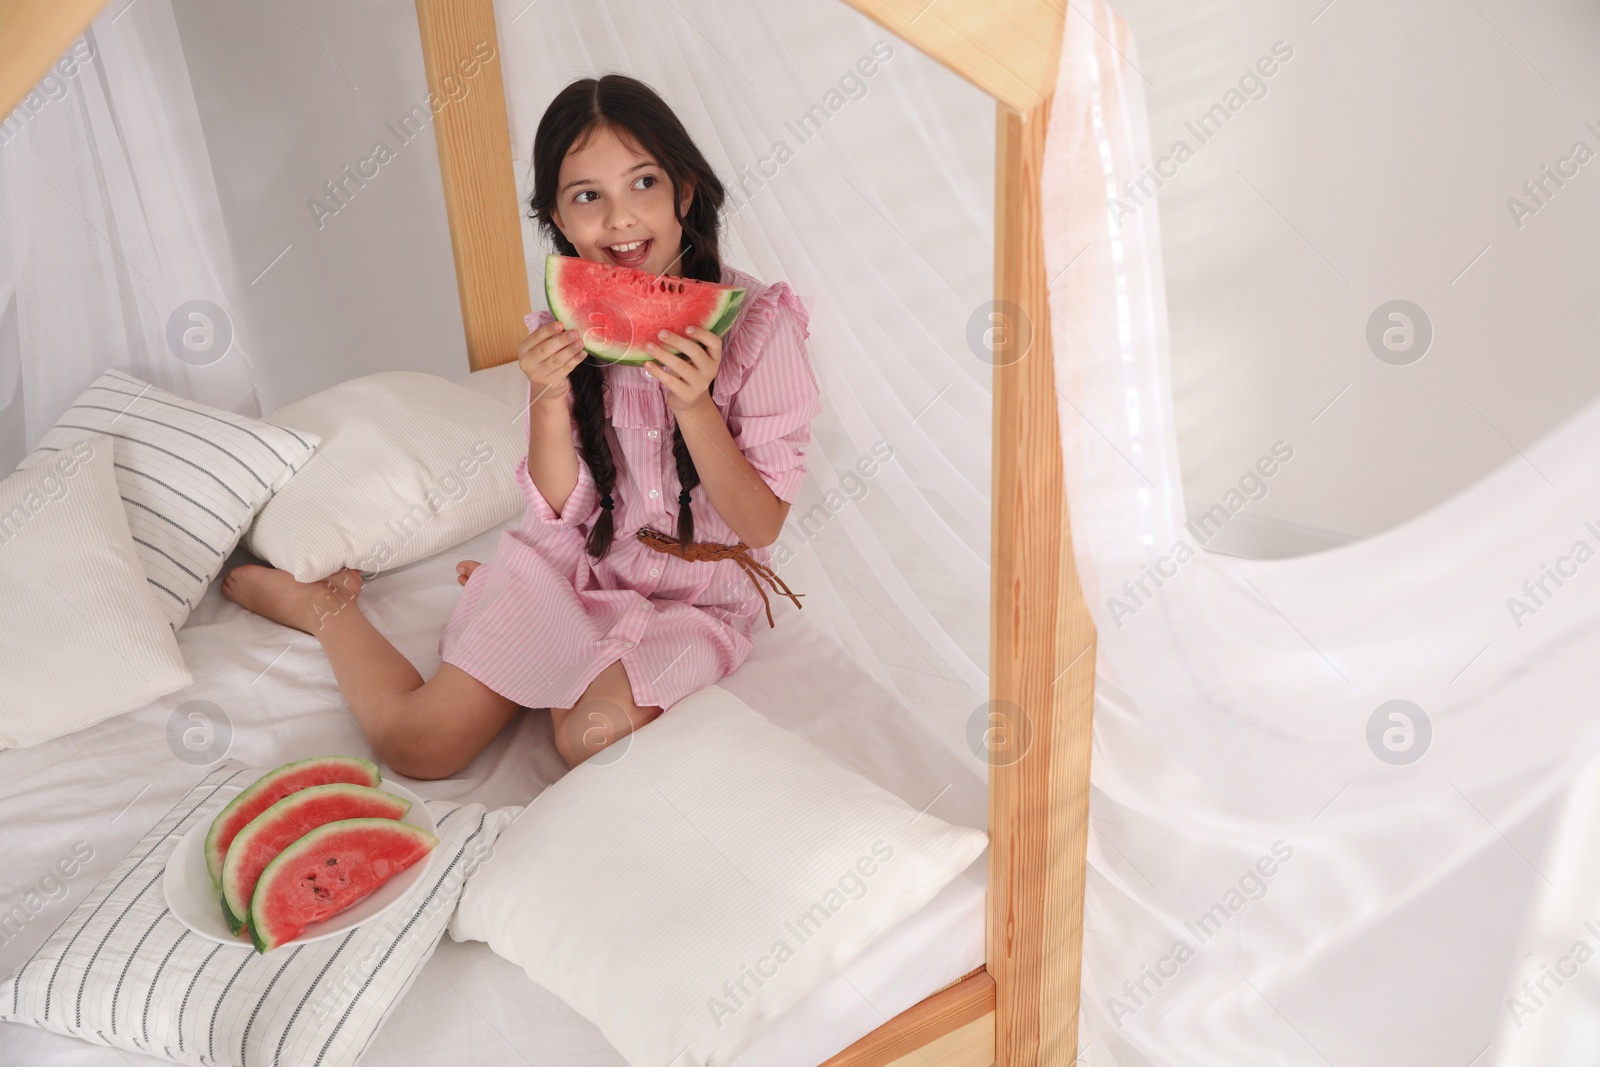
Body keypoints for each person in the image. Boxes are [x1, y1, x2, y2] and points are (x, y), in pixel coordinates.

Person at [221, 74, 821, 776]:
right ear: (559, 219)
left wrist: (695, 408)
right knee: (420, 748)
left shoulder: (759, 326)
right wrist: (546, 396)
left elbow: (762, 525)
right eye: (588, 196)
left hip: (697, 601)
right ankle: (325, 610)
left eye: (643, 183)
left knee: (584, 735)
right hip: (571, 569)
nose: (620, 219)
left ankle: (512, 620)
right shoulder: (563, 325)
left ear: (684, 191)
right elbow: (558, 504)